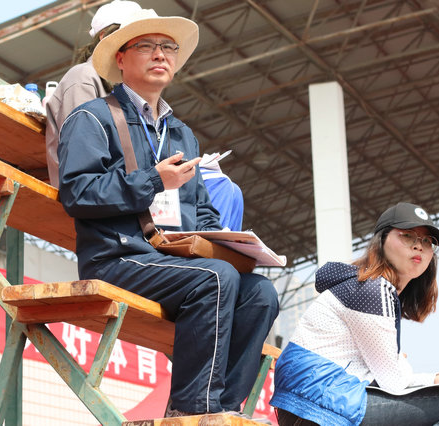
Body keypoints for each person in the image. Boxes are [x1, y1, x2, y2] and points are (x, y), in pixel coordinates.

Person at [57, 7, 279, 418]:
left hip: (173, 260)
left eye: (168, 47)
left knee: (262, 293)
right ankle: (193, 410)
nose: (161, 54)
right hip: (118, 258)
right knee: (216, 278)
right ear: (121, 58)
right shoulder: (92, 117)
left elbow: (201, 209)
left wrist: (234, 244)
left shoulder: (181, 132)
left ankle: (223, 410)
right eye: (147, 46)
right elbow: (76, 193)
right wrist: (153, 181)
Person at [270, 202, 439, 426]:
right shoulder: (372, 289)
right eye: (408, 236)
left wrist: (435, 378)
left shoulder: (371, 288)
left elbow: (386, 375)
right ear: (381, 241)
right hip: (318, 404)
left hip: (315, 402)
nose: (419, 246)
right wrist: (412, 368)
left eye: (427, 241)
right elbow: (394, 381)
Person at [45, 0, 141, 187]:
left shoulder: (123, 89)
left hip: (119, 193)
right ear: (104, 37)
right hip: (93, 196)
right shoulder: (83, 77)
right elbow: (82, 155)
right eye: (127, 38)